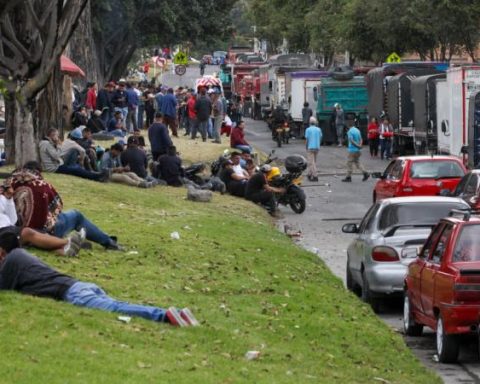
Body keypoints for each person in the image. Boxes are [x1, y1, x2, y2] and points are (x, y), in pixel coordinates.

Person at [0, 231, 198, 326]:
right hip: (80, 286)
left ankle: (165, 315)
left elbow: (4, 291)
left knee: (116, 308)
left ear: (2, 251)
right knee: (118, 305)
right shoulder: (22, 257)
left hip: (73, 293)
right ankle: (180, 314)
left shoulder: (13, 260)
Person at [11, 162, 122, 250]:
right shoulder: (43, 185)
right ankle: (108, 242)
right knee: (76, 216)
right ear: (39, 172)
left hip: (17, 231)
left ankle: (69, 243)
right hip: (43, 232)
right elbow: (58, 207)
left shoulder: (10, 182)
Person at [0, 180, 82, 257]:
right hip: (3, 231)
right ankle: (68, 242)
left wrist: (9, 199)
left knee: (42, 234)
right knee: (27, 233)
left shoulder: (1, 198)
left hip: (9, 229)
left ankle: (66, 250)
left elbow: (13, 220)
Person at [39, 128, 108, 182]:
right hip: (53, 169)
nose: (58, 137)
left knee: (76, 168)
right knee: (75, 169)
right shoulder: (46, 144)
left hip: (57, 165)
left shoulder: (47, 143)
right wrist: (58, 144)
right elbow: (56, 156)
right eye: (57, 135)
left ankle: (96, 175)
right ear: (52, 135)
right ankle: (97, 177)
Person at [304, 117, 323, 182]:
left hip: (310, 147)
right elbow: (320, 138)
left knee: (311, 162)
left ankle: (315, 176)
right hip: (317, 147)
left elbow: (307, 140)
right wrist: (319, 144)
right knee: (313, 162)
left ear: (310, 122)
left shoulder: (308, 129)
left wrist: (306, 147)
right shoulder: (319, 129)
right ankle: (309, 174)